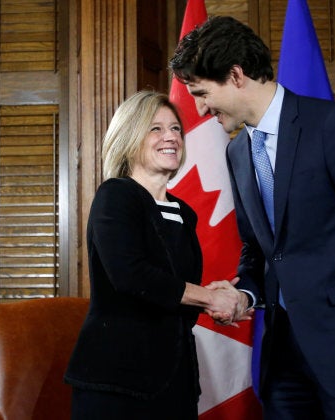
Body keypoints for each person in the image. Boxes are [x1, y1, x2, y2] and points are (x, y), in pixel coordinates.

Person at [170, 16, 335, 419]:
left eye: (203, 93)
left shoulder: (332, 126)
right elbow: (258, 252)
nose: (201, 109)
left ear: (236, 75)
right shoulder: (238, 153)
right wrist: (246, 294)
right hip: (283, 361)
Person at [64, 90, 249, 420]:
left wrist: (220, 299)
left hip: (175, 378)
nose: (171, 137)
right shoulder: (116, 195)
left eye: (176, 128)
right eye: (156, 128)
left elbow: (173, 289)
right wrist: (208, 297)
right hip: (119, 381)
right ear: (130, 137)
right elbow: (131, 276)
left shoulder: (183, 211)